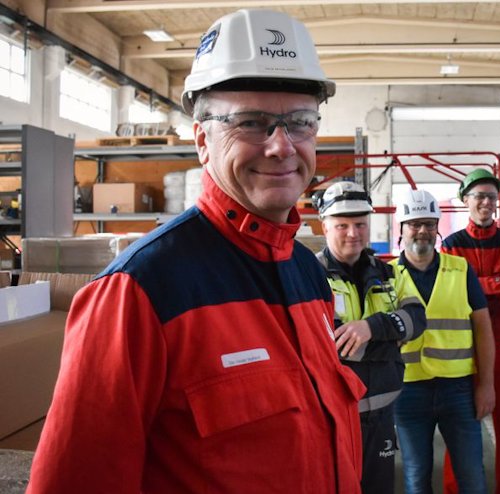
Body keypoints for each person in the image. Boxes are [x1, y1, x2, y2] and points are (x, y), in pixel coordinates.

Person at [28, 10, 366, 493]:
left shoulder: (307, 274)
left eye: (300, 122)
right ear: (203, 140)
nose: (281, 146)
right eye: (251, 123)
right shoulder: (137, 293)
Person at [314, 181, 427, 494]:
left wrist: (372, 328)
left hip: (381, 414)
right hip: (332, 417)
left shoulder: (392, 273)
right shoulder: (311, 276)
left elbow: (418, 319)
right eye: (342, 225)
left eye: (360, 223)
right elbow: (330, 347)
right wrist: (392, 341)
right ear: (325, 227)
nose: (353, 233)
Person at [389, 188, 496, 494]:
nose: (422, 231)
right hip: (408, 391)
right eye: (414, 224)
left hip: (458, 389)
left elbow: (483, 329)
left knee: (472, 477)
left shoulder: (460, 270)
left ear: (437, 228)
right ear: (402, 228)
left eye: (429, 224)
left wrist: (486, 384)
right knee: (416, 476)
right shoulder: (387, 277)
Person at [440, 168, 500, 494]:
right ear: (465, 200)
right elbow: (451, 294)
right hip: (464, 352)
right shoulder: (452, 246)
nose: (485, 202)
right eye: (478, 196)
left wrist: (477, 288)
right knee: (460, 431)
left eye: (491, 197)